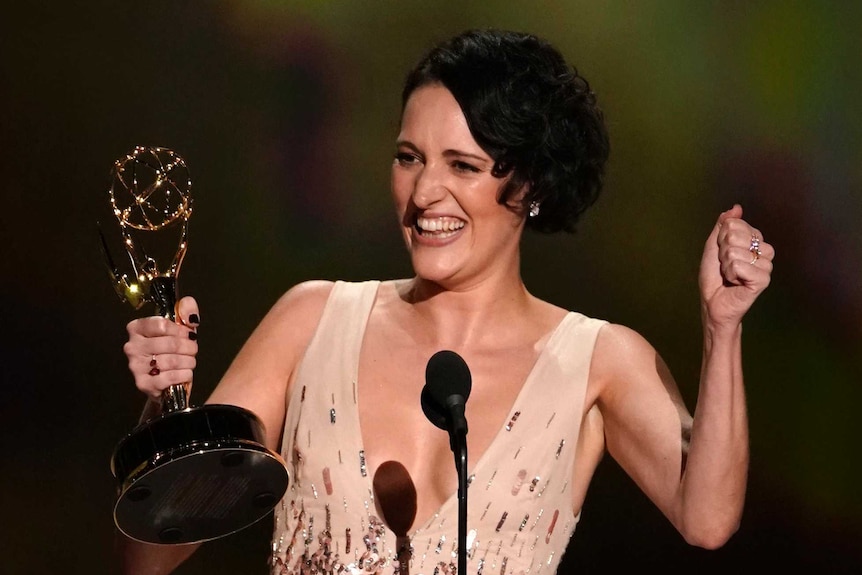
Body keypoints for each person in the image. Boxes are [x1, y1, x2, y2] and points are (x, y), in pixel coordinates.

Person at [118, 28, 774, 575]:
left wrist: (723, 329)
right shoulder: (311, 318)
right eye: (409, 157)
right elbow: (149, 556)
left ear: (532, 183)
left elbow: (708, 519)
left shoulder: (598, 359)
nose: (425, 190)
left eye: (461, 165)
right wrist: (162, 408)